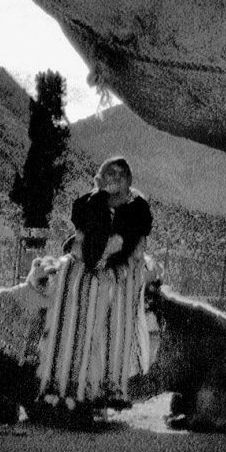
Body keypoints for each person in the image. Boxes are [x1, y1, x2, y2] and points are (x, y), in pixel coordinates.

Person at [37, 157, 158, 410]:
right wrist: (102, 200)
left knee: (117, 298)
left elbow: (127, 243)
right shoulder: (87, 204)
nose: (115, 178)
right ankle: (64, 384)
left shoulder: (138, 209)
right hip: (86, 262)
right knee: (76, 290)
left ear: (129, 181)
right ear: (98, 180)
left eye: (121, 174)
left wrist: (111, 255)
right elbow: (89, 244)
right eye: (109, 174)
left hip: (121, 268)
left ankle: (109, 385)